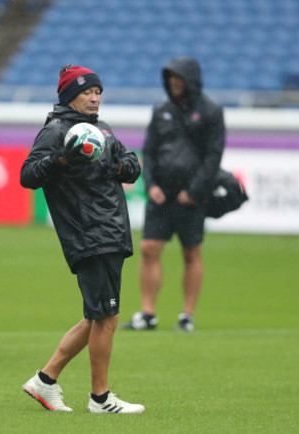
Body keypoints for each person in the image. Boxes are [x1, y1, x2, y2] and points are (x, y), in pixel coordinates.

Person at [19, 65, 144, 413]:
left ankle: (44, 381)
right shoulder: (56, 130)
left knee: (99, 316)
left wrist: (118, 168)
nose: (95, 97)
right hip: (87, 232)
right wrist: (62, 159)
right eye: (88, 91)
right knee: (104, 317)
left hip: (111, 229)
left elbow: (132, 164)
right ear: (68, 95)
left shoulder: (101, 129)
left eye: (98, 92)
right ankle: (100, 399)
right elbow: (28, 176)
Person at [122, 57, 225, 332]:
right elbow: (150, 150)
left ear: (191, 80)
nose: (174, 84)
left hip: (192, 196)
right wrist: (150, 184)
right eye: (171, 79)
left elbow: (213, 155)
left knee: (191, 252)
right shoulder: (162, 110)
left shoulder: (211, 111)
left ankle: (186, 315)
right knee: (148, 248)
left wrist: (195, 191)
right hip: (161, 194)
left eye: (178, 79)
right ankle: (148, 313)